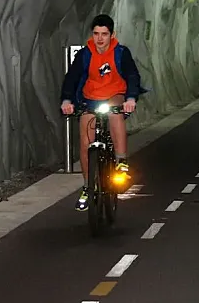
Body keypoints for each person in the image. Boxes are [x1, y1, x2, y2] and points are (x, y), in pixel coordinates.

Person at [60, 14, 143, 211]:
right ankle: (88, 185)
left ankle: (121, 160)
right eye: (96, 34)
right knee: (85, 136)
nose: (99, 39)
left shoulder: (121, 53)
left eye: (104, 34)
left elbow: (132, 75)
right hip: (90, 98)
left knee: (115, 114)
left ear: (112, 35)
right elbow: (72, 78)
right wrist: (67, 100)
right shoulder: (85, 54)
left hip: (115, 94)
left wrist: (130, 98)